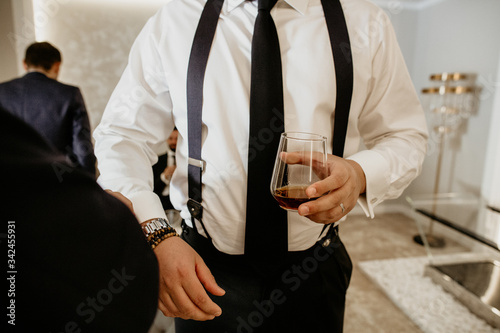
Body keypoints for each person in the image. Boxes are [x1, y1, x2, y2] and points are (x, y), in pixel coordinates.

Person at [93, 0, 428, 332]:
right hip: (202, 270)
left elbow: (405, 135)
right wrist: (156, 232)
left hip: (315, 270)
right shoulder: (176, 18)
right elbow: (122, 136)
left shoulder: (365, 22)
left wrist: (359, 174)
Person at [0, 107, 159, 332]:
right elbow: (82, 152)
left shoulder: (5, 91)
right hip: (61, 211)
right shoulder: (67, 94)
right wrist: (94, 199)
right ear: (56, 68)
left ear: (24, 67)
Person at [0, 41, 96, 176]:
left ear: (24, 64)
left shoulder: (2, 91)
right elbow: (82, 147)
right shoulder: (70, 94)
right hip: (56, 183)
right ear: (56, 66)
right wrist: (90, 185)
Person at [152, 128, 179, 211]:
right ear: (166, 139)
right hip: (162, 203)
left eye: (176, 139)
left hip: (181, 201)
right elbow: (152, 187)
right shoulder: (157, 161)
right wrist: (164, 176)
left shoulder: (186, 161)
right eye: (171, 138)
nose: (174, 142)